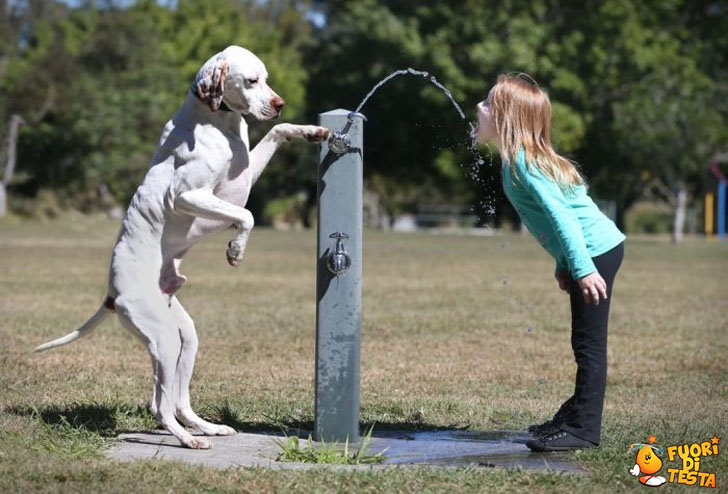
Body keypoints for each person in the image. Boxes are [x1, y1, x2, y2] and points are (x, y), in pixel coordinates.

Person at [471, 74, 626, 452]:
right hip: (588, 253)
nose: (479, 108)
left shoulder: (523, 162)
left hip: (594, 253)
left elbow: (564, 218)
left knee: (589, 343)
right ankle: (572, 417)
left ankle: (584, 429)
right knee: (582, 341)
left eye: (489, 104)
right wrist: (565, 264)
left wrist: (583, 267)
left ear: (506, 118)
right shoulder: (517, 160)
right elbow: (560, 217)